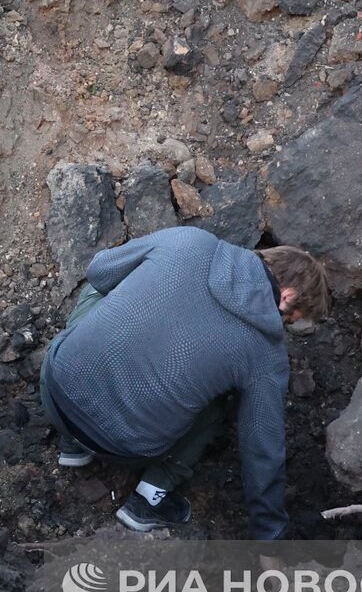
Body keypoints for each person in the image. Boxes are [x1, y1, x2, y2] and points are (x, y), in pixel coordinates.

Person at [38, 226, 330, 539]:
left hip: (55, 392)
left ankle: (71, 444)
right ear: (287, 296)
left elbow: (99, 269)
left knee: (101, 289)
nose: (284, 326)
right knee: (222, 401)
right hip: (124, 448)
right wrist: (269, 537)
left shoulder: (189, 240)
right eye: (290, 318)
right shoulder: (265, 355)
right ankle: (149, 498)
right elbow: (263, 451)